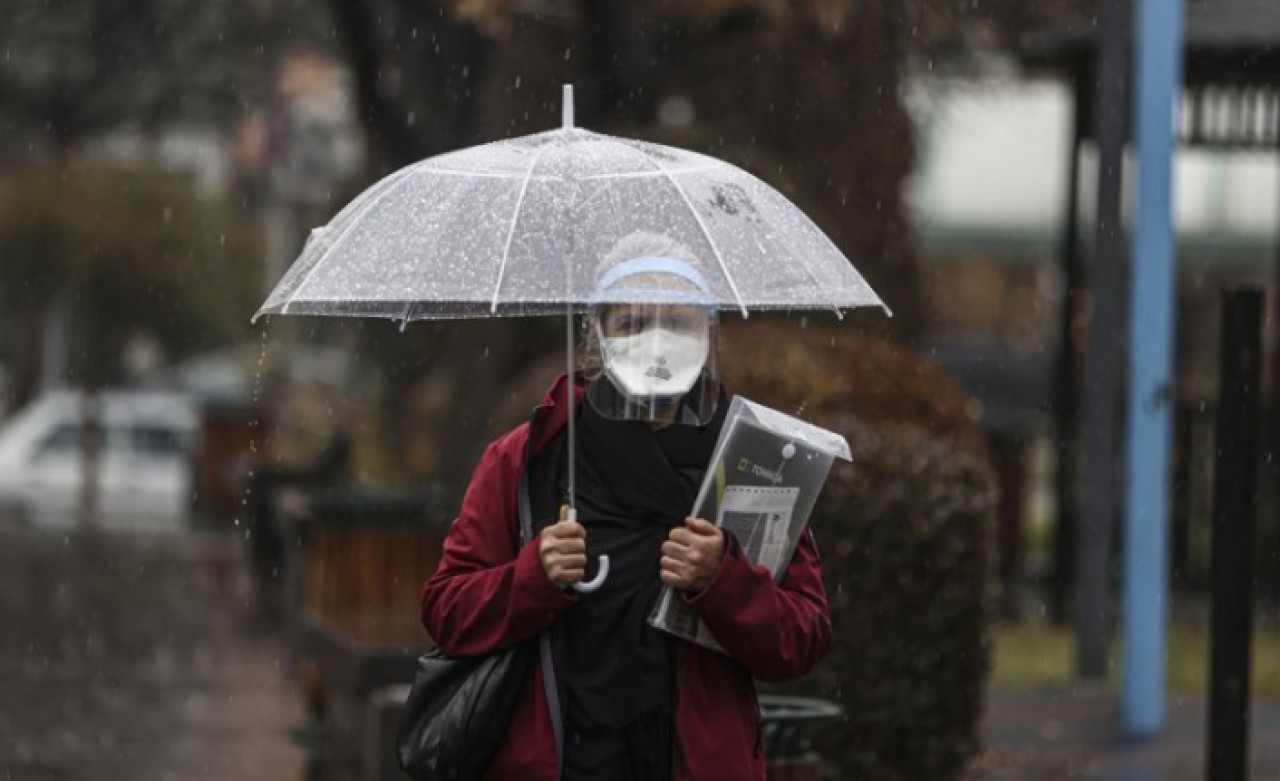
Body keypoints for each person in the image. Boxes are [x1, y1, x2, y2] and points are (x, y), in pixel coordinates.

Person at [419, 233, 831, 781]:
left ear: (709, 334)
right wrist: (531, 578)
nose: (656, 342)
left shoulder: (755, 461)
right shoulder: (532, 457)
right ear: (597, 336)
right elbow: (446, 612)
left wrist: (724, 582)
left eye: (678, 322)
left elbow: (802, 639)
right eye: (633, 323)